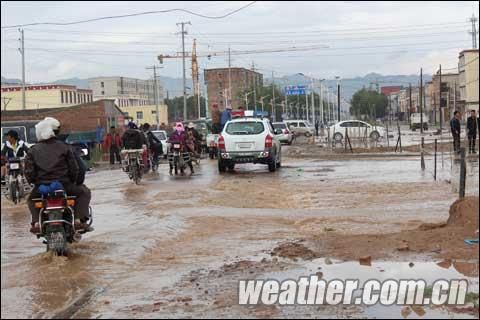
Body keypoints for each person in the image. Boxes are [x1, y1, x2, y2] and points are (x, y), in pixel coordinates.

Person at [24, 117, 92, 233]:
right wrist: (72, 181)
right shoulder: (64, 147)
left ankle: (36, 222)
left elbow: (29, 172)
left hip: (41, 188)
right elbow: (74, 168)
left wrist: (35, 182)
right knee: (84, 192)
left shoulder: (32, 150)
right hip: (64, 185)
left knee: (31, 200)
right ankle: (79, 220)